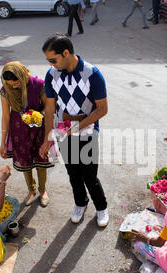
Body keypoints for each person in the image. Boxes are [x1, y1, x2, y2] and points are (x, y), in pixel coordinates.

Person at [40, 34, 109, 227]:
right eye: (48, 61)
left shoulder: (92, 73)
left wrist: (78, 126)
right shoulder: (51, 75)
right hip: (63, 133)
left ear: (66, 52)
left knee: (89, 174)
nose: (51, 64)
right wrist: (47, 138)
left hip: (87, 132)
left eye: (53, 60)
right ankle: (80, 203)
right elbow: (50, 109)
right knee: (73, 172)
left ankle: (101, 207)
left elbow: (102, 109)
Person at [0, 61, 53, 207]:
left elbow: (49, 107)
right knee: (25, 162)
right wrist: (3, 142)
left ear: (22, 75)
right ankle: (31, 190)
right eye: (9, 84)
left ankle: (43, 191)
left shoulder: (38, 85)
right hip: (19, 131)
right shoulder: (6, 90)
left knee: (41, 160)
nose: (13, 86)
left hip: (39, 128)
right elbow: (5, 116)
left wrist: (37, 114)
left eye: (16, 83)